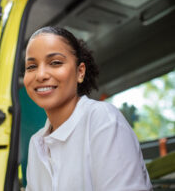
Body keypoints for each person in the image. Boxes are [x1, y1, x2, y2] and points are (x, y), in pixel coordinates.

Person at [24, 27, 152, 191]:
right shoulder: (37, 142)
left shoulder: (102, 119)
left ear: (80, 72)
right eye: (31, 66)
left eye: (55, 63)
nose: (40, 75)